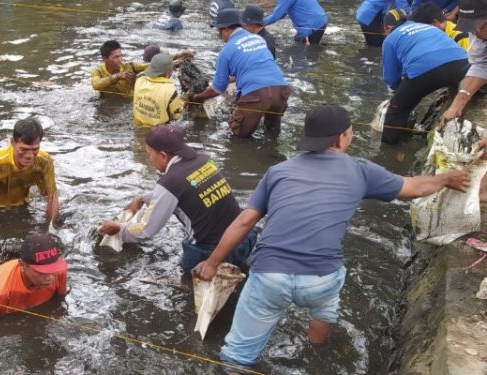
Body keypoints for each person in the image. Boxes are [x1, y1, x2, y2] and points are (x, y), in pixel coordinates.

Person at [191, 104, 470, 372]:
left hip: (270, 275)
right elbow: (415, 187)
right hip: (321, 278)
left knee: (238, 355)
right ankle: (316, 352)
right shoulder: (360, 170)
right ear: (342, 138)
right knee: (324, 307)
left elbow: (244, 220)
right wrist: (445, 179)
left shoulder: (278, 172)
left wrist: (213, 263)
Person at [98, 125, 258, 274]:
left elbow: (146, 231)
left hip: (210, 253)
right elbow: (189, 188)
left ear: (162, 155)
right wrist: (142, 199)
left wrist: (120, 229)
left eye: (149, 154)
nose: (149, 160)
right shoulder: (204, 160)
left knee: (191, 294)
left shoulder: (169, 183)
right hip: (244, 237)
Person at [187, 9, 291, 138]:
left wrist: (198, 97)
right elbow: (255, 67)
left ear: (226, 29)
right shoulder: (258, 39)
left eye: (219, 31)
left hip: (257, 95)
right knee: (272, 133)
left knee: (237, 135)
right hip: (281, 91)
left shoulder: (225, 52)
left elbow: (217, 88)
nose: (219, 36)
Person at [380, 9, 469, 144]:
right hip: (461, 63)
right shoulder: (428, 27)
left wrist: (400, 92)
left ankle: (388, 148)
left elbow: (391, 78)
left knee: (396, 111)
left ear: (386, 28)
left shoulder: (390, 40)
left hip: (424, 69)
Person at [0, 232, 68, 320]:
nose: (50, 277)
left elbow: (59, 301)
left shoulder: (59, 271)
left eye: (53, 268)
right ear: (23, 265)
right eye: (42, 272)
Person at [0, 118, 59, 232]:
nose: (29, 156)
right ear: (12, 142)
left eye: (34, 149)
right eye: (24, 149)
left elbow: (52, 198)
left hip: (24, 207)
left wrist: (51, 230)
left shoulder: (45, 162)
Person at [440, 0, 487, 126]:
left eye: (480, 26)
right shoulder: (477, 32)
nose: (475, 32)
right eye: (470, 28)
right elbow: (481, 65)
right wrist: (456, 105)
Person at [133, 54, 185, 128]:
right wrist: (185, 98)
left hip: (138, 126)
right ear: (169, 72)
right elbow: (177, 115)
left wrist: (169, 64)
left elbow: (145, 72)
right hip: (158, 132)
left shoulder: (139, 79)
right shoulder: (170, 89)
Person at [263, 0, 328, 45]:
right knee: (297, 41)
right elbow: (282, 13)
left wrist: (259, 23)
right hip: (321, 20)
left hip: (310, 26)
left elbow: (275, 16)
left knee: (303, 52)